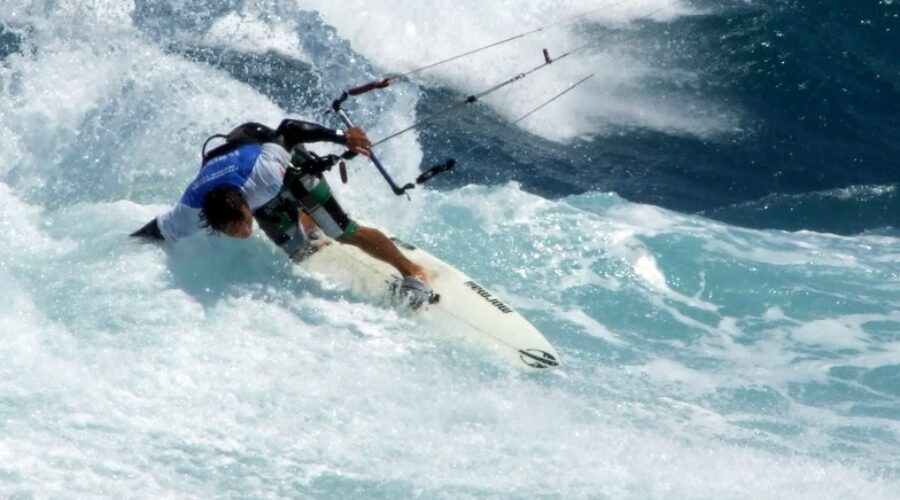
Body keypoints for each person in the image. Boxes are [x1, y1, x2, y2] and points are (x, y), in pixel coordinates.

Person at [131, 118, 434, 307]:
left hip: (283, 165)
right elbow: (154, 230)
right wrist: (123, 246)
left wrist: (343, 137)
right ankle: (307, 222)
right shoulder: (188, 215)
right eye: (233, 232)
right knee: (299, 251)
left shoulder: (262, 176)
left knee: (341, 230)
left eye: (244, 224)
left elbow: (288, 129)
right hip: (254, 189)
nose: (244, 234)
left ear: (245, 207)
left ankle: (412, 271)